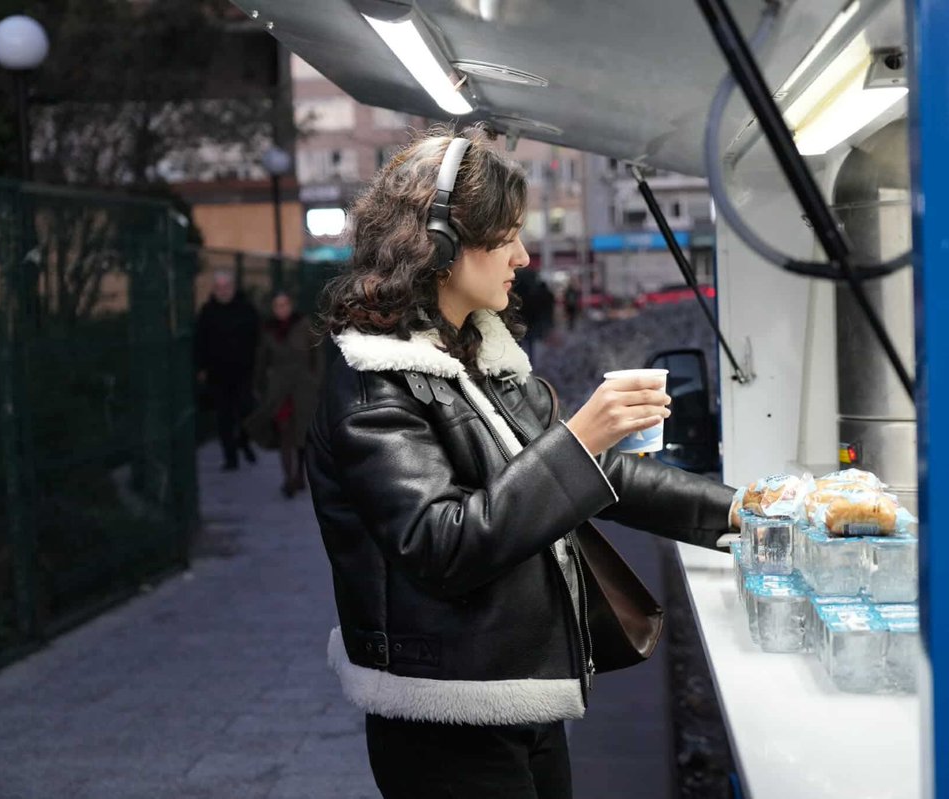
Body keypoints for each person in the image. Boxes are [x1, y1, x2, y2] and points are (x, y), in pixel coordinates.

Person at [305, 125, 739, 799]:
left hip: (515, 695)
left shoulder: (479, 357)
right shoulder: (372, 378)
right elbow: (441, 542)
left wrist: (741, 509)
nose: (525, 255)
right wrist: (581, 438)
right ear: (441, 246)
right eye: (505, 235)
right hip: (443, 718)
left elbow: (598, 478)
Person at [245, 292, 322, 497]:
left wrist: (315, 380)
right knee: (284, 431)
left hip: (303, 386)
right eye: (277, 305)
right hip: (279, 388)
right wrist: (260, 386)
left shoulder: (304, 324)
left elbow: (317, 352)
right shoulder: (268, 330)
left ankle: (299, 474)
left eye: (285, 304)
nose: (281, 309)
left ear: (291, 305)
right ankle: (288, 479)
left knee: (302, 434)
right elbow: (261, 359)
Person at [195, 270, 259, 470]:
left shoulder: (247, 310)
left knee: (246, 411)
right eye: (218, 287)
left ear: (233, 287)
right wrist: (201, 367)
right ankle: (230, 457)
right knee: (223, 417)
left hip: (243, 372)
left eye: (226, 287)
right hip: (217, 374)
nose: (222, 291)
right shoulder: (207, 311)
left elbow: (257, 339)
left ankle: (244, 441)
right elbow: (200, 341)